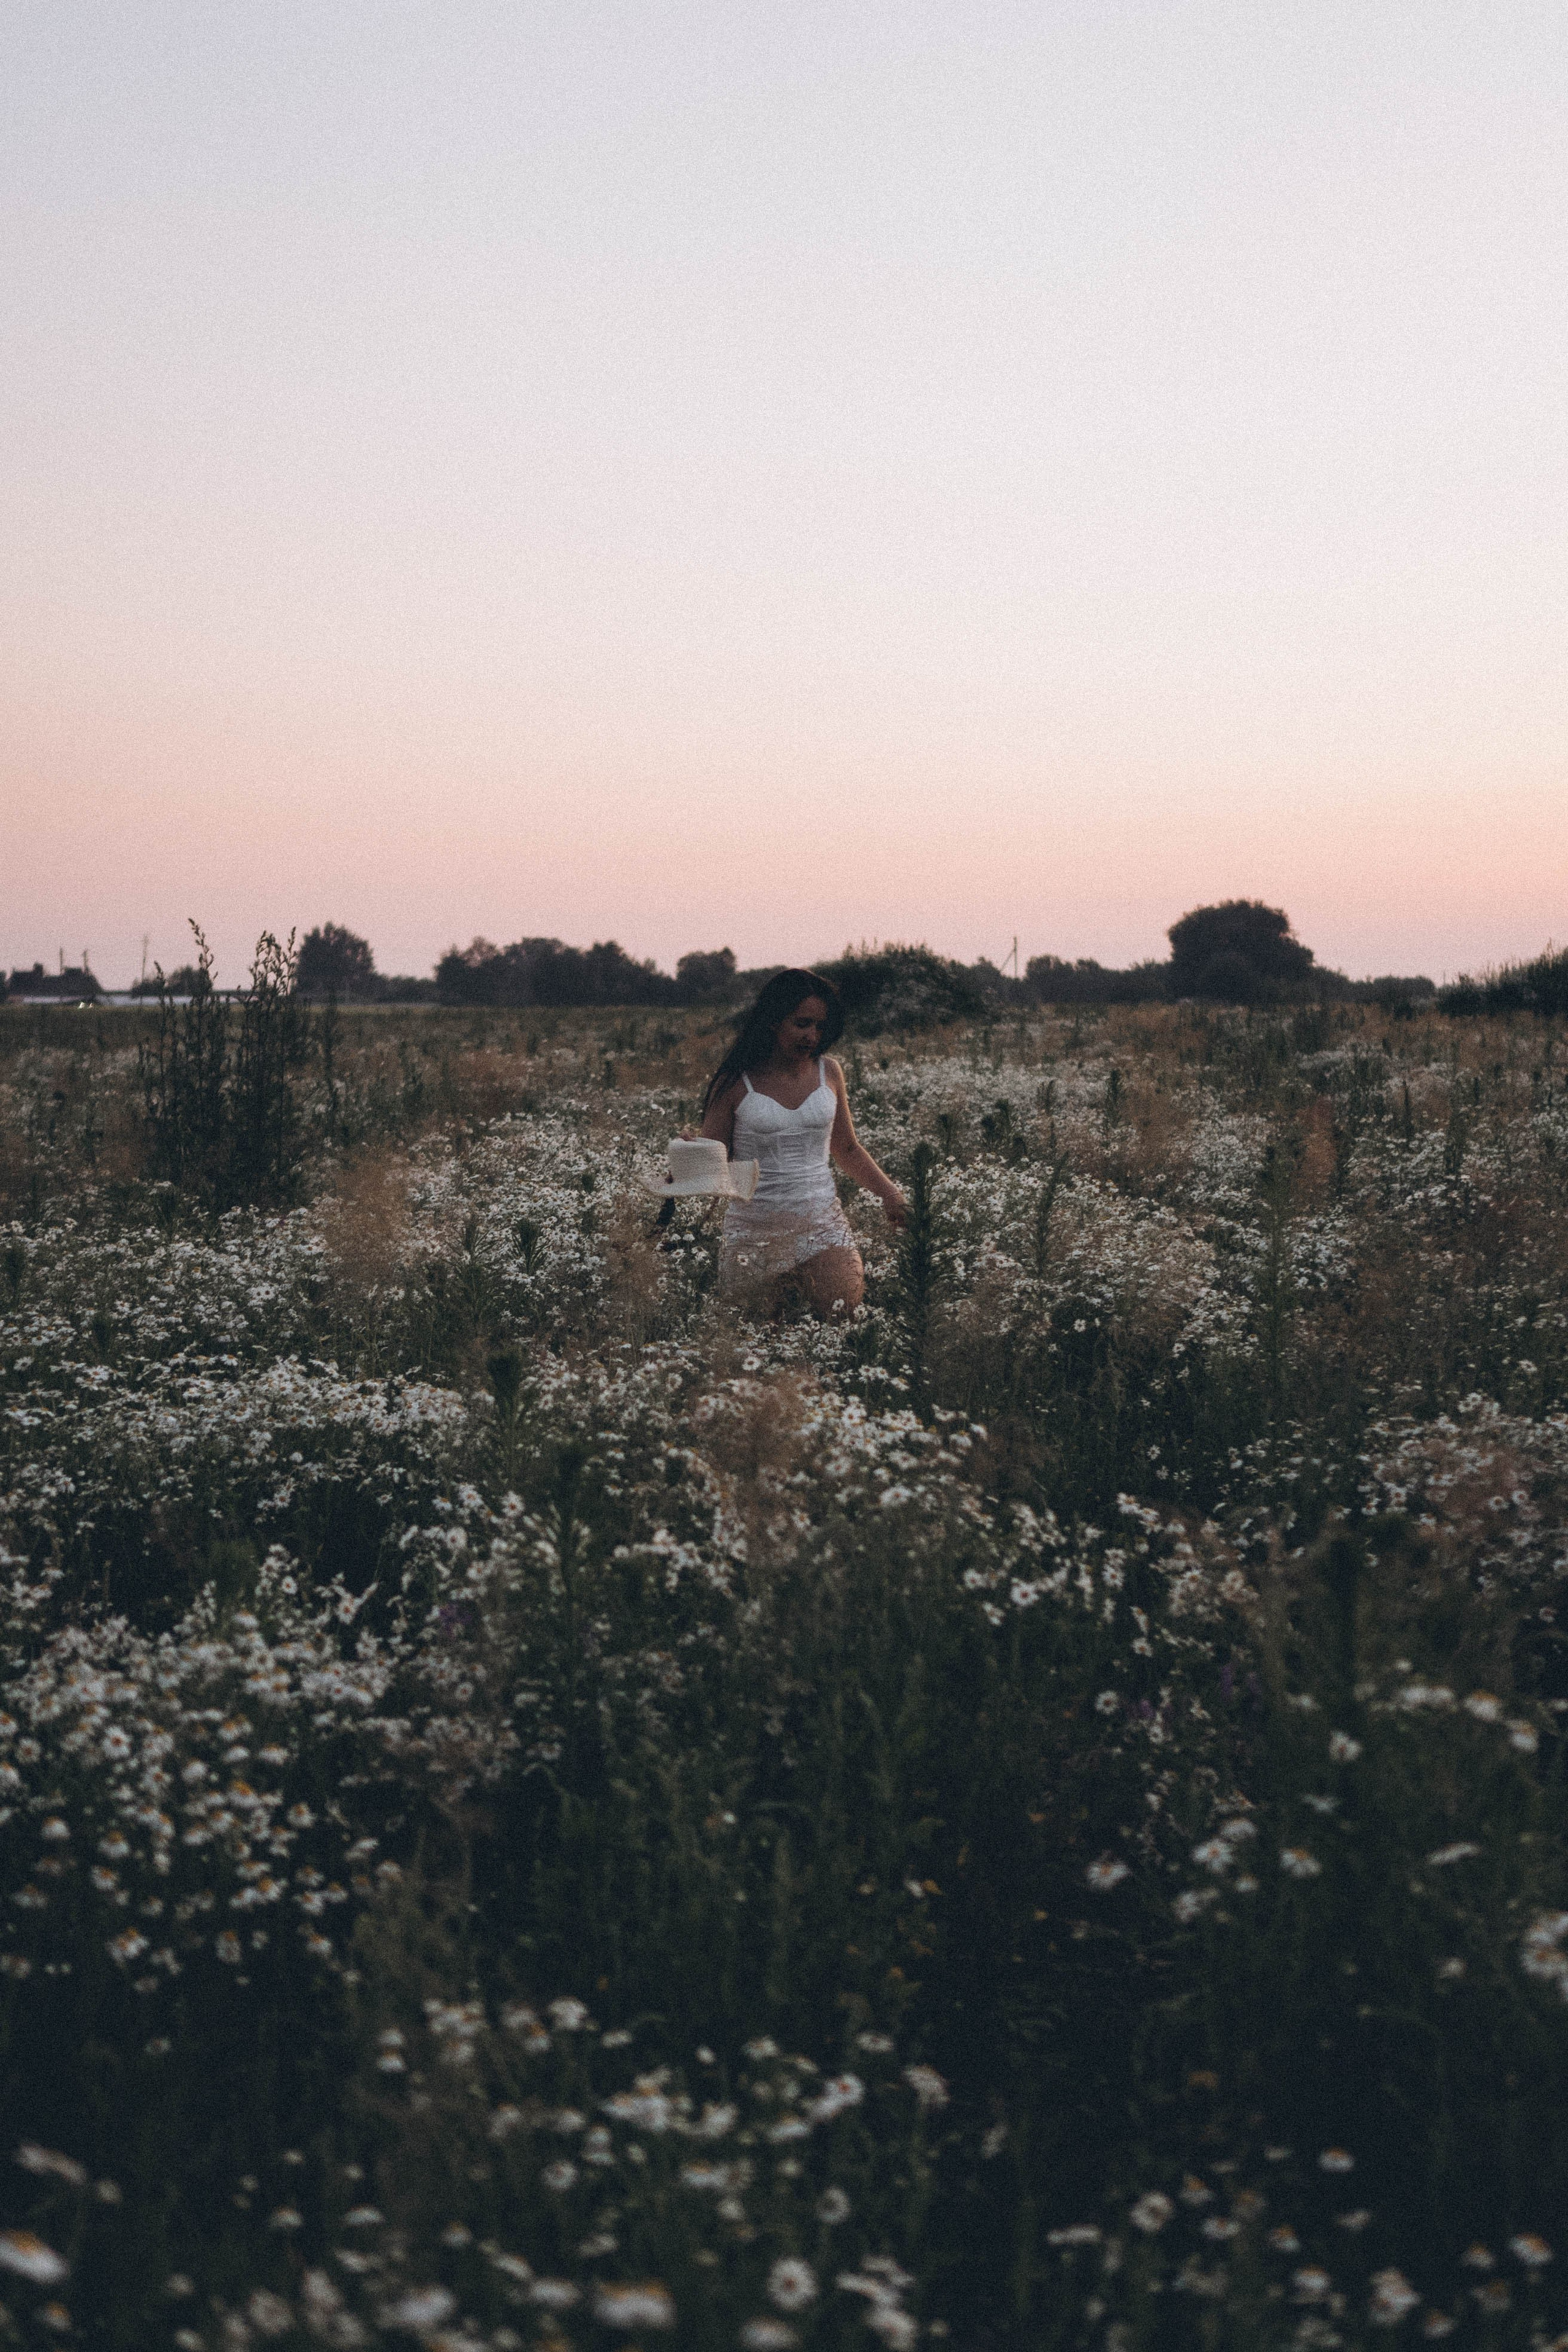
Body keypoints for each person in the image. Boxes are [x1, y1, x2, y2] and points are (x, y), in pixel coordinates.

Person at [695, 969, 907, 1313]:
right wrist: (689, 1153)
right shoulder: (736, 1081)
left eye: (821, 1027)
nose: (812, 1035)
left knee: (842, 1317)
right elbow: (711, 1160)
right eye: (803, 1023)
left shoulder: (830, 1072)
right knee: (758, 1346)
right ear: (774, 1021)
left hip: (823, 1225)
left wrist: (892, 1197)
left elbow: (848, 1149)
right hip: (754, 1231)